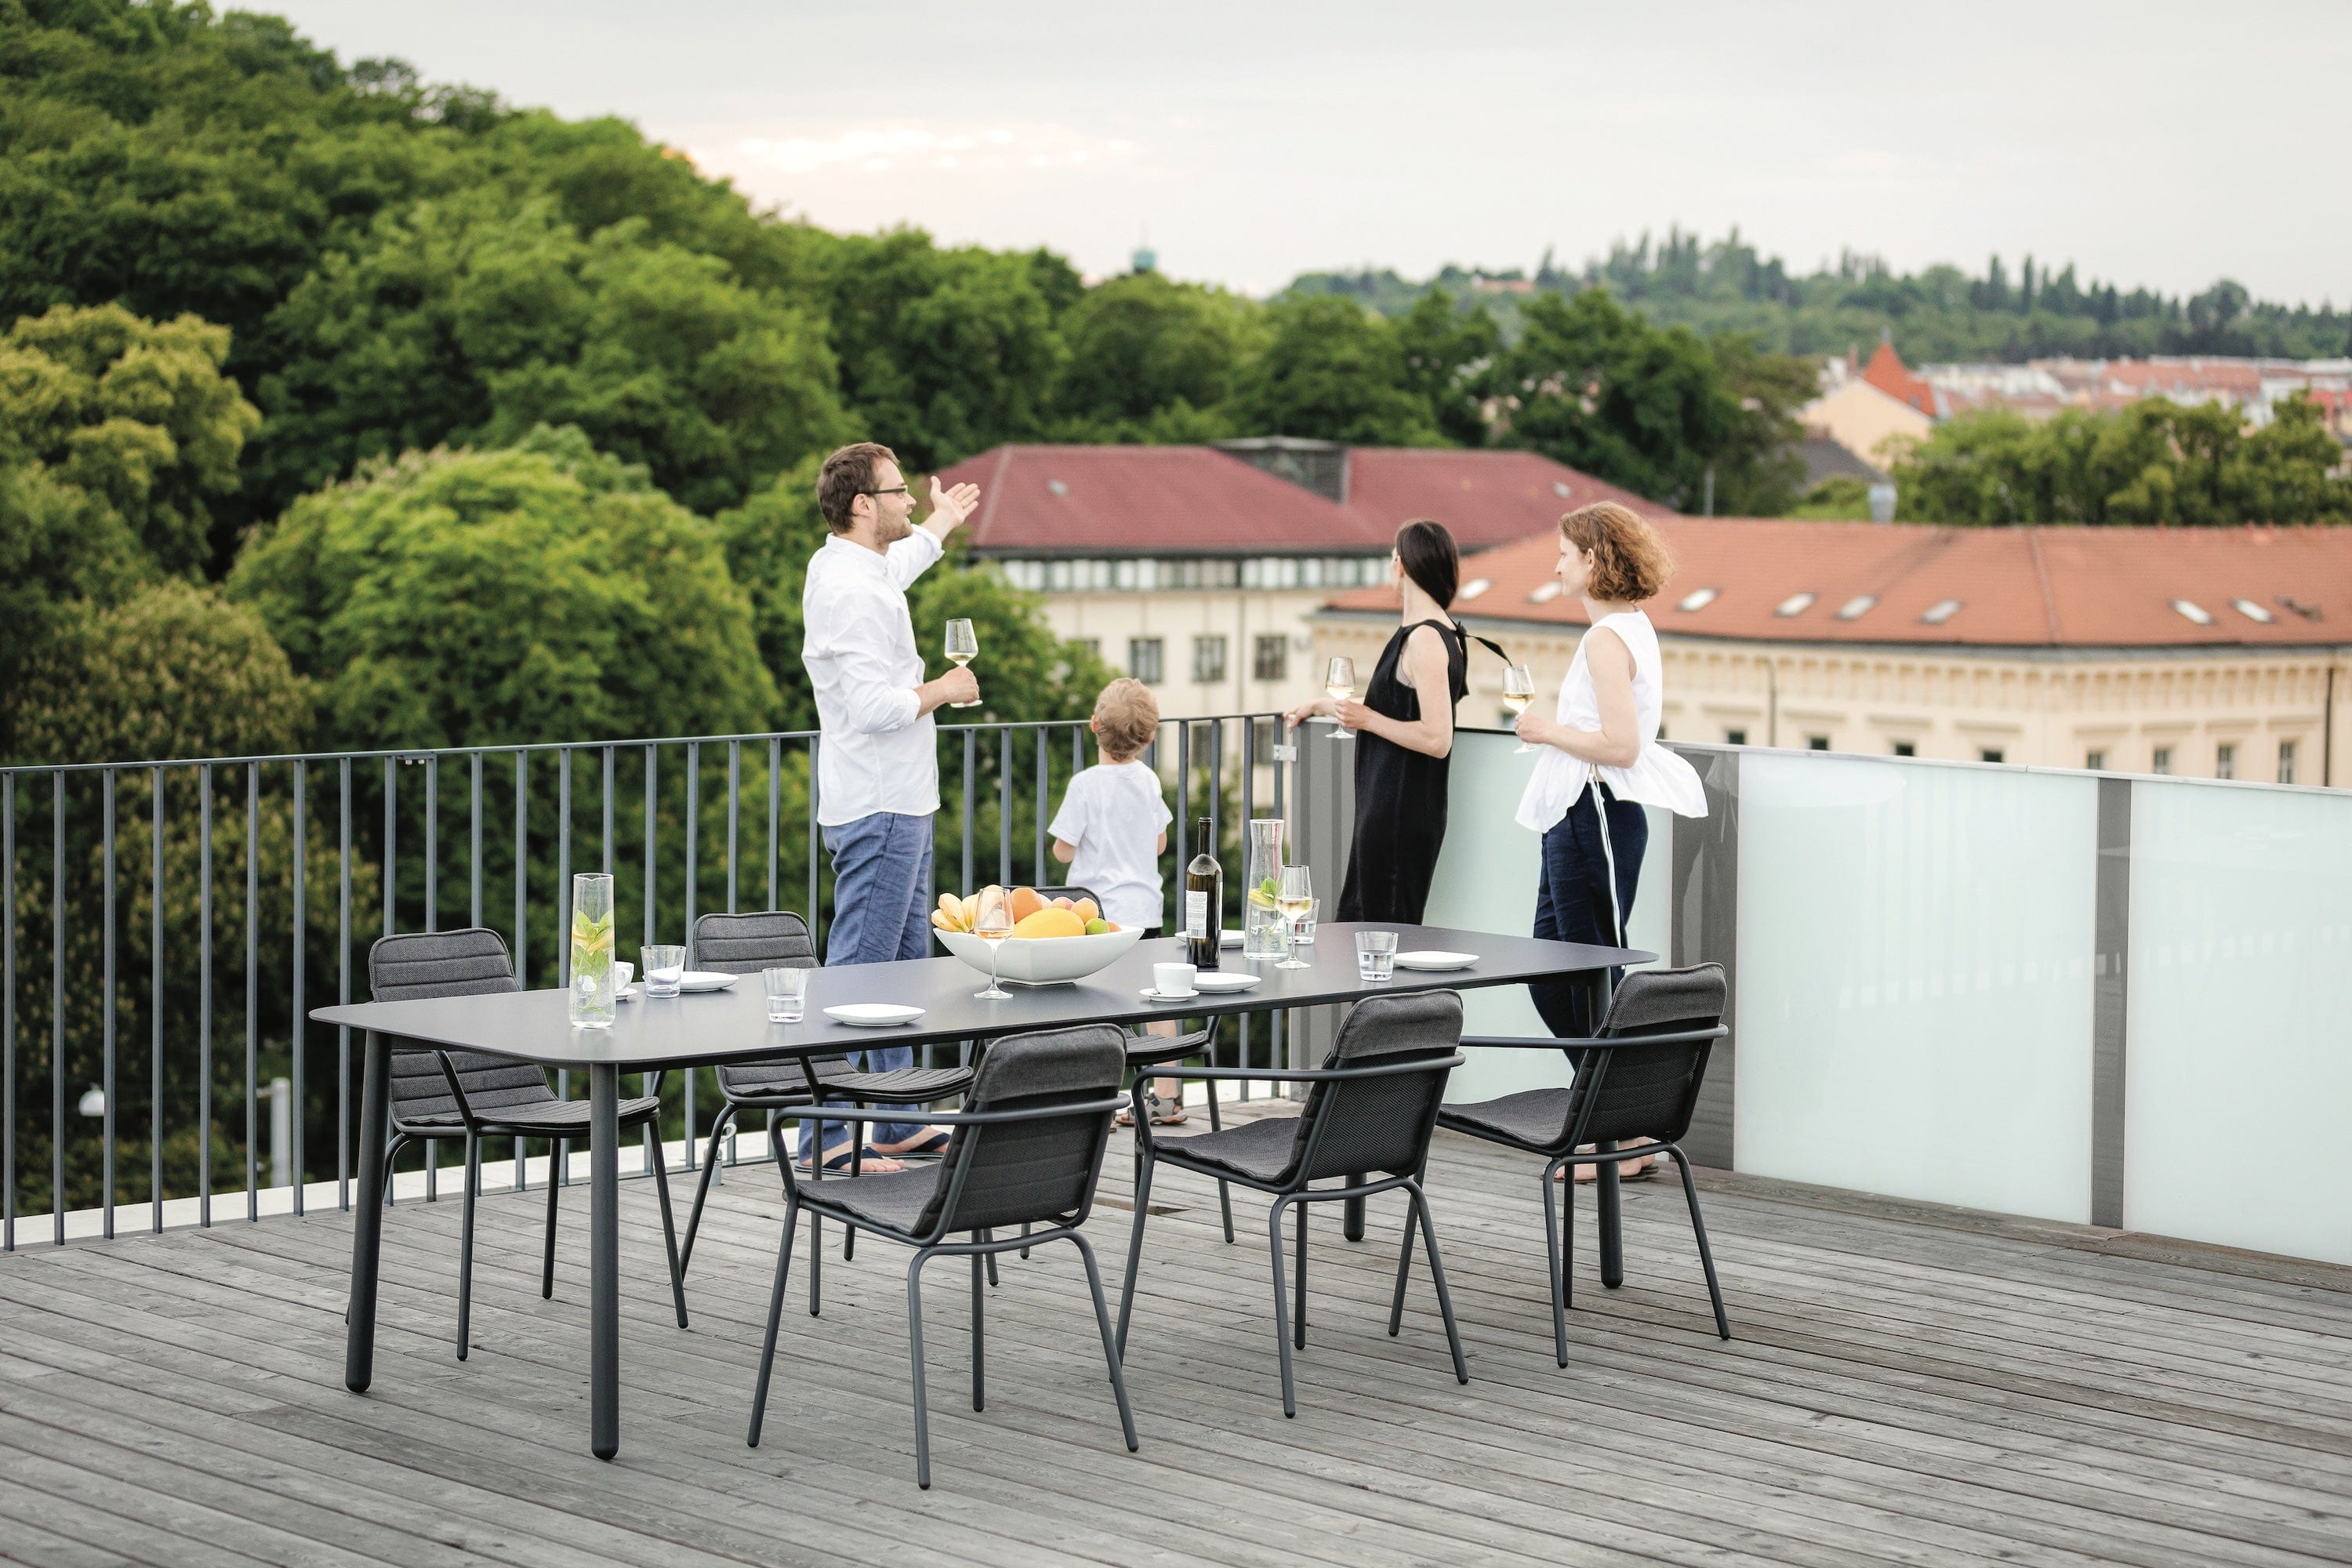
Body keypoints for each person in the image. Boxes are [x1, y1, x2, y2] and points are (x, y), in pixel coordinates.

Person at [799, 441, 981, 1173]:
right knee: (860, 977)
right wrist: (947, 689)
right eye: (899, 492)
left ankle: (898, 1120)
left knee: (901, 970)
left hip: (901, 801)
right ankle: (828, 1140)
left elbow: (893, 570)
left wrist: (937, 527)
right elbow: (875, 707)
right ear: (862, 505)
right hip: (878, 807)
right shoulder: (849, 590)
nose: (909, 498)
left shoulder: (853, 567)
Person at [1511, 501, 1707, 1180]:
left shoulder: (1606, 639)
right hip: (1576, 812)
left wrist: (1543, 730)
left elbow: (1623, 746)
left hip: (1595, 810)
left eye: (1565, 552)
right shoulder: (1626, 629)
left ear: (1593, 560)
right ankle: (1614, 1126)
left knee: (1594, 976)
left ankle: (1619, 1138)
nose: (1556, 563)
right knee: (1553, 974)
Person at [1284, 518, 1481, 924]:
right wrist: (1324, 705)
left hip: (1398, 810)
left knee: (1380, 930)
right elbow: (1397, 706)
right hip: (1395, 807)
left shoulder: (1425, 639)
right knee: (1374, 925)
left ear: (1403, 567)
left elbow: (1437, 737)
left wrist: (1367, 719)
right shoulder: (1437, 632)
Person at [1045, 678, 1182, 1123]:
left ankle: (1092, 1099)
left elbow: (1062, 850)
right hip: (1144, 911)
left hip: (1096, 916)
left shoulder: (1085, 785)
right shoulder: (1147, 780)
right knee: (1155, 1003)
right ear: (1149, 737)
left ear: (1094, 726)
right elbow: (1160, 843)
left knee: (1090, 1005)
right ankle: (1166, 1097)